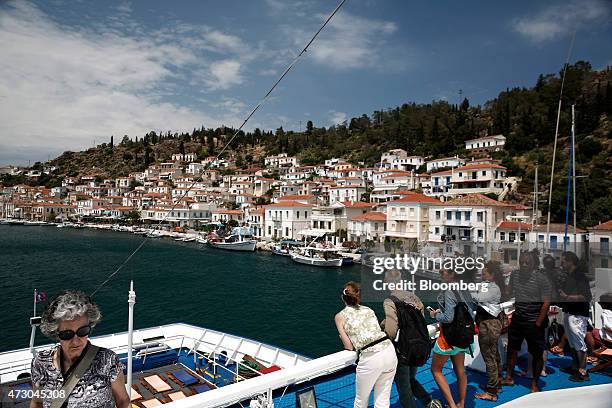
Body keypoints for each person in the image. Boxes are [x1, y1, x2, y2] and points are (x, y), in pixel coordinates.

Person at [30, 291, 130, 408]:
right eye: (67, 334)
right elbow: (37, 402)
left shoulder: (107, 361)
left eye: (83, 331)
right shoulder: (41, 363)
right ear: (56, 333)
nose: (76, 341)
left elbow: (123, 401)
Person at [381, 270, 442, 408]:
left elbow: (391, 330)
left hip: (403, 349)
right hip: (419, 344)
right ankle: (428, 402)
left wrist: (383, 326)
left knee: (403, 387)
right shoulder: (414, 297)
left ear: (386, 283)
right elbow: (417, 319)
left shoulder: (390, 301)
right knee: (410, 378)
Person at [335, 282, 398, 408]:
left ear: (343, 298)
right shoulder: (368, 310)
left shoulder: (340, 316)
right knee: (383, 399)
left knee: (361, 401)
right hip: (389, 351)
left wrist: (343, 336)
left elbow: (349, 346)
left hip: (371, 357)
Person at [502, 251, 551, 392]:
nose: (523, 265)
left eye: (527, 263)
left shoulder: (542, 279)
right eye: (521, 262)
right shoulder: (515, 275)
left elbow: (546, 302)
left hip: (534, 321)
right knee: (512, 349)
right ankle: (509, 377)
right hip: (518, 319)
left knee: (536, 353)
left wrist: (538, 323)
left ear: (533, 264)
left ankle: (535, 383)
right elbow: (509, 293)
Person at [429, 268, 475, 408]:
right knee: (460, 370)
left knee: (436, 370)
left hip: (449, 338)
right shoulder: (464, 287)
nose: (440, 274)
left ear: (452, 274)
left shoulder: (449, 290)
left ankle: (452, 405)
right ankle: (461, 404)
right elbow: (469, 312)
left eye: (443, 272)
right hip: (462, 336)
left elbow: (448, 318)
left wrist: (435, 316)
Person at [472, 261, 504, 402]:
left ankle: (491, 393)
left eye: (484, 273)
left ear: (492, 275)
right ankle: (497, 384)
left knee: (489, 358)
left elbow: (478, 298)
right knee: (494, 355)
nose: (482, 275)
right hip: (490, 324)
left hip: (489, 326)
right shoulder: (488, 286)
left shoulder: (493, 289)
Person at [559, 251, 592, 382]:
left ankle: (583, 372)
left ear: (570, 262)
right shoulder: (570, 276)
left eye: (563, 261)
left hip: (578, 314)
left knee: (578, 343)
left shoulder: (580, 276)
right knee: (573, 342)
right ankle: (575, 366)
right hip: (570, 312)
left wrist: (567, 297)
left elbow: (586, 296)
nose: (561, 264)